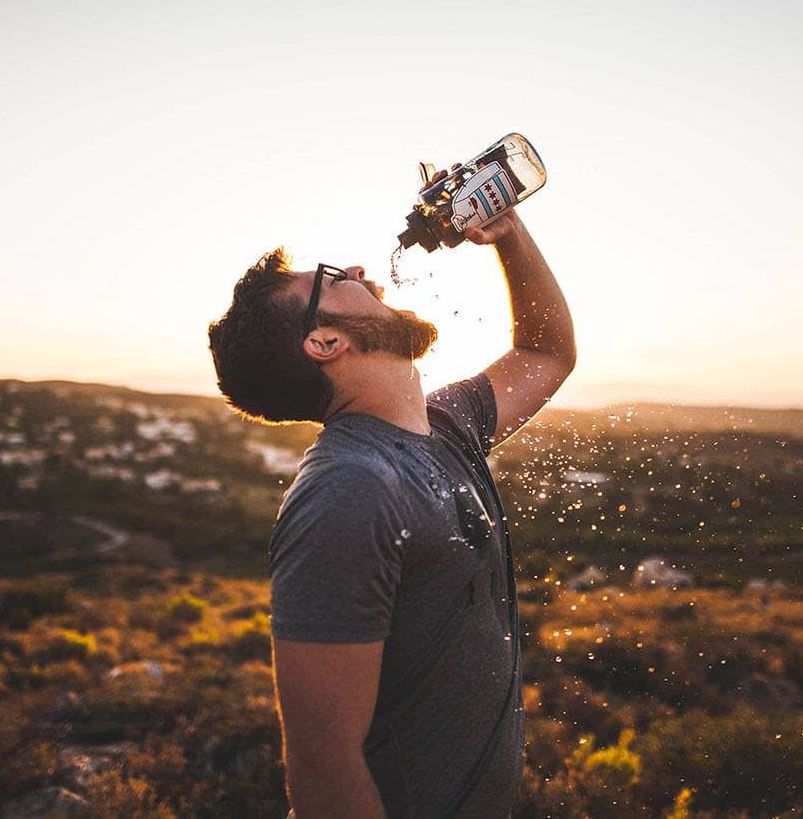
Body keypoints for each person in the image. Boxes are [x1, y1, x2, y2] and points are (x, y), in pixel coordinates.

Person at [206, 185, 575, 817]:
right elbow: (324, 771)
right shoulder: (348, 490)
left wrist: (509, 234)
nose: (356, 271)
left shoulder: (444, 427)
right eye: (332, 279)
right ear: (325, 343)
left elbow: (546, 352)